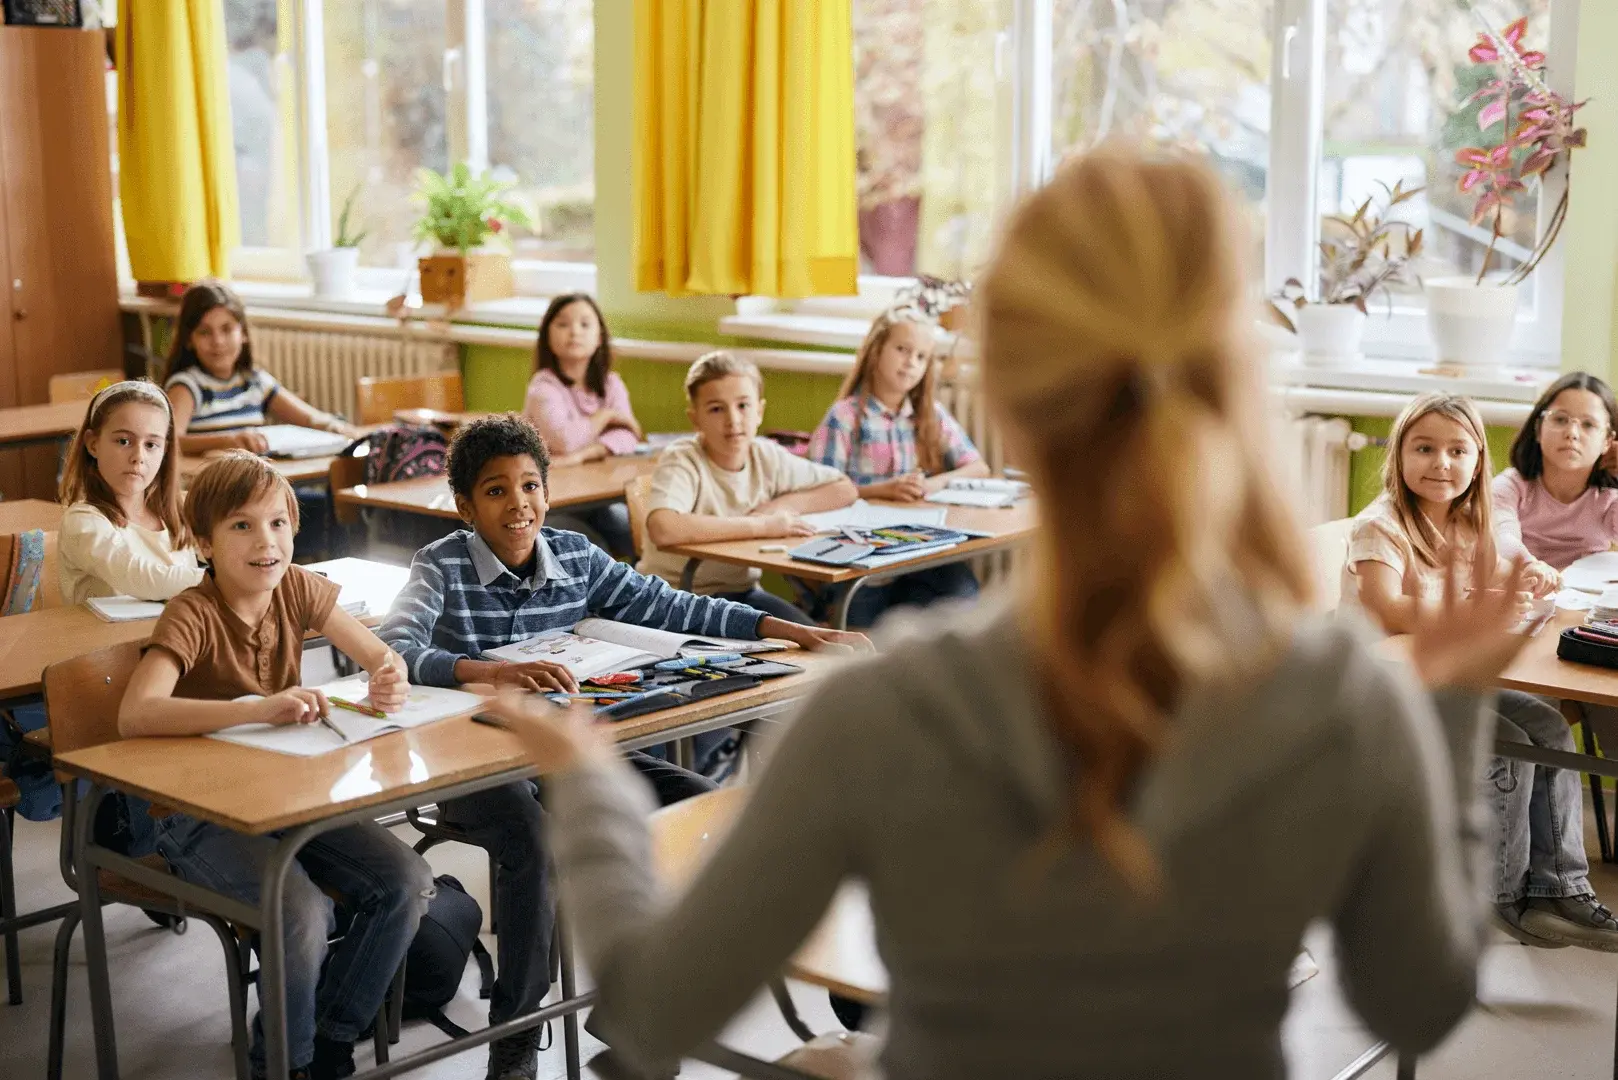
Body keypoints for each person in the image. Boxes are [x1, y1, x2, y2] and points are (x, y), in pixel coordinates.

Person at [484, 146, 1533, 1078]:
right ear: (1238, 386)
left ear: (1010, 406)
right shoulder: (1338, 696)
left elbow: (654, 1008)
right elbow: (1420, 1004)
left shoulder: (879, 710)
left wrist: (590, 790)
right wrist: (1449, 707)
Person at [378, 413, 867, 1080]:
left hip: (570, 753)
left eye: (530, 486)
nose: (518, 504)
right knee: (530, 840)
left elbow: (673, 606)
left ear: (546, 492)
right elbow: (396, 649)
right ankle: (516, 1039)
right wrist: (488, 672)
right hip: (476, 767)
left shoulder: (575, 556)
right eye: (495, 491)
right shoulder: (439, 566)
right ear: (465, 507)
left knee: (700, 808)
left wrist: (788, 629)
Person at [119, 452, 430, 1080]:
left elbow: (381, 656)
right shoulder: (193, 612)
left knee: (407, 879)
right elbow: (135, 714)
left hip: (288, 798)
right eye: (242, 525)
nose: (266, 541)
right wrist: (256, 710)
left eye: (279, 523)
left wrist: (388, 676)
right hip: (198, 813)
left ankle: (331, 1035)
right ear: (203, 543)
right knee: (301, 913)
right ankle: (283, 1063)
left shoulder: (297, 588)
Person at [1348, 392, 1618, 950]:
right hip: (1387, 691)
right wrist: (1474, 613)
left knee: (1547, 725)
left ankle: (1561, 886)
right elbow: (1385, 607)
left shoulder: (1466, 523)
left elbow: (1498, 572)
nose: (1441, 463)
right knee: (1507, 742)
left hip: (1447, 682)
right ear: (1399, 454)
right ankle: (1500, 892)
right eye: (1424, 449)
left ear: (1477, 463)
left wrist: (1530, 575)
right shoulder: (1382, 526)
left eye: (1457, 451)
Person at [637, 351, 857, 624]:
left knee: (821, 639)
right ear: (695, 419)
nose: (733, 420)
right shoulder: (682, 459)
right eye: (716, 409)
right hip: (675, 596)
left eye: (743, 405)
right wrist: (761, 526)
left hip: (741, 594)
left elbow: (844, 488)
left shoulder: (766, 455)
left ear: (759, 411)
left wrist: (778, 507)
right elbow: (664, 528)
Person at [807, 306, 990, 626]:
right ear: (876, 350)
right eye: (902, 350)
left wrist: (932, 484)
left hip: (917, 550)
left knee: (963, 596)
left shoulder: (929, 414)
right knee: (863, 627)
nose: (911, 362)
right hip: (861, 554)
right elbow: (818, 493)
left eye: (921, 356)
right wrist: (883, 490)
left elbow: (977, 467)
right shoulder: (844, 417)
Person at [162, 280, 358, 455]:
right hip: (214, 482)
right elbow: (169, 441)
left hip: (255, 479)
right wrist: (228, 441)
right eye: (204, 332)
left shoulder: (255, 381)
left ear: (243, 333)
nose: (218, 341)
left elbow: (310, 419)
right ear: (189, 340)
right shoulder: (186, 387)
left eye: (227, 329)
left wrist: (333, 426)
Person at [57, 380, 204, 604]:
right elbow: (141, 577)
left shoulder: (179, 510)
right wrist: (224, 580)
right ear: (93, 444)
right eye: (124, 441)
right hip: (104, 629)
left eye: (151, 445)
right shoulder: (82, 522)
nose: (138, 457)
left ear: (165, 451)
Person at [522, 292, 639, 557]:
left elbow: (629, 436)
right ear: (547, 336)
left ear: (599, 337)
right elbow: (564, 441)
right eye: (563, 324)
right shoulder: (543, 387)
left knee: (640, 532)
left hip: (597, 499)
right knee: (594, 550)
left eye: (585, 324)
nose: (574, 331)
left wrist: (583, 455)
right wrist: (605, 417)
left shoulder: (611, 383)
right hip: (553, 502)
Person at [1494, 371, 1618, 578]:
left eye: (1588, 424)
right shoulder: (1510, 487)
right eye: (1560, 419)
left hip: (1585, 596)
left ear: (1607, 441)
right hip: (1520, 588)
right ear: (1538, 428)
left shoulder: (1608, 499)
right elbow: (1501, 537)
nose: (1572, 433)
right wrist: (1531, 567)